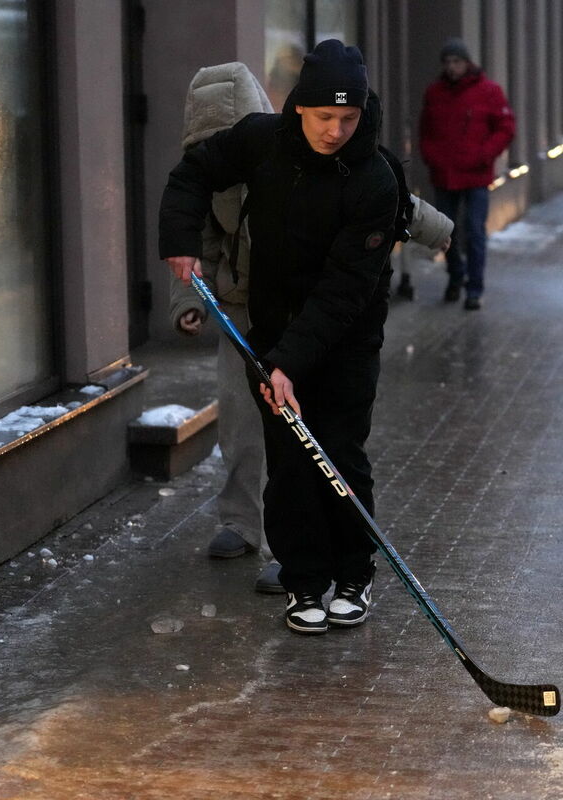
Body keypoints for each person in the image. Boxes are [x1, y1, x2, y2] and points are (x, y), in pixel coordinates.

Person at [159, 39, 400, 635]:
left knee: (338, 453)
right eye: (325, 117)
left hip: (345, 336)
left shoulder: (377, 177)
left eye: (349, 118)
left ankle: (352, 573)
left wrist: (289, 362)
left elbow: (345, 291)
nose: (337, 130)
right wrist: (179, 239)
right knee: (290, 463)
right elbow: (194, 171)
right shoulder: (263, 141)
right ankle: (304, 580)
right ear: (298, 109)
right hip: (272, 329)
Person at [166, 62, 282, 593]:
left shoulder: (291, 160)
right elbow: (197, 242)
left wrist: (435, 230)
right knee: (238, 422)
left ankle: (292, 542)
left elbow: (387, 197)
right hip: (237, 312)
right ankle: (240, 521)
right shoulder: (205, 174)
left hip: (289, 311)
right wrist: (189, 299)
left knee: (291, 429)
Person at [418, 37, 515, 310]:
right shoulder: (435, 92)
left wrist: (485, 155)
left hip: (475, 175)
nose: (452, 68)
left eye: (456, 62)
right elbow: (426, 130)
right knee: (445, 233)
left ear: (467, 62)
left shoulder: (489, 91)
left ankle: (474, 288)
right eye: (447, 62)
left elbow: (505, 128)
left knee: (474, 231)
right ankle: (455, 277)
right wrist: (432, 158)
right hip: (445, 174)